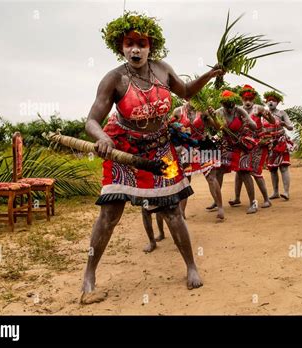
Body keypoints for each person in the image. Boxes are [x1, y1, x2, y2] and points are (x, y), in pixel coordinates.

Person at [81, 12, 225, 302]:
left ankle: (191, 266)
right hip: (124, 151)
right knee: (109, 214)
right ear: (120, 47)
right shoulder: (114, 79)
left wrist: (208, 76)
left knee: (172, 210)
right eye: (129, 43)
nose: (135, 49)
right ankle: (89, 273)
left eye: (141, 43)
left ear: (151, 46)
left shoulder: (162, 70)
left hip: (160, 148)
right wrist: (104, 139)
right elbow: (91, 121)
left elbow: (185, 92)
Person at [171, 101, 224, 221]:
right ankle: (182, 212)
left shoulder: (204, 111)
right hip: (188, 148)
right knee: (185, 180)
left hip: (205, 146)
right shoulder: (178, 112)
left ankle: (220, 207)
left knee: (211, 177)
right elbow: (170, 127)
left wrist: (214, 116)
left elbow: (218, 127)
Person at [208, 90, 258, 214]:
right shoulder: (218, 112)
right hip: (227, 145)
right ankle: (217, 201)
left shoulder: (240, 111)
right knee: (219, 171)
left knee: (244, 172)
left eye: (232, 105)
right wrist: (213, 117)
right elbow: (216, 129)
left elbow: (254, 125)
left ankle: (253, 202)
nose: (230, 108)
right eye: (227, 106)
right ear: (223, 104)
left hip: (241, 144)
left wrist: (248, 122)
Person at [229, 85, 275, 209]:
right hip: (244, 144)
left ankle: (266, 199)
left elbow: (272, 122)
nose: (248, 102)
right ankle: (237, 198)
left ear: (253, 98)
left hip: (259, 144)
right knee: (240, 170)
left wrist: (269, 115)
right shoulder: (238, 110)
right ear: (241, 99)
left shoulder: (258, 108)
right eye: (245, 99)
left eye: (250, 99)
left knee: (255, 172)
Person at [263, 90, 294, 200]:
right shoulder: (264, 114)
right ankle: (275, 192)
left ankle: (286, 192)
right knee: (272, 169)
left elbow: (291, 127)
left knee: (284, 167)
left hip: (281, 142)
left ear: (277, 103)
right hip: (269, 143)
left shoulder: (282, 113)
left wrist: (284, 124)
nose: (271, 102)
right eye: (269, 100)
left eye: (273, 100)